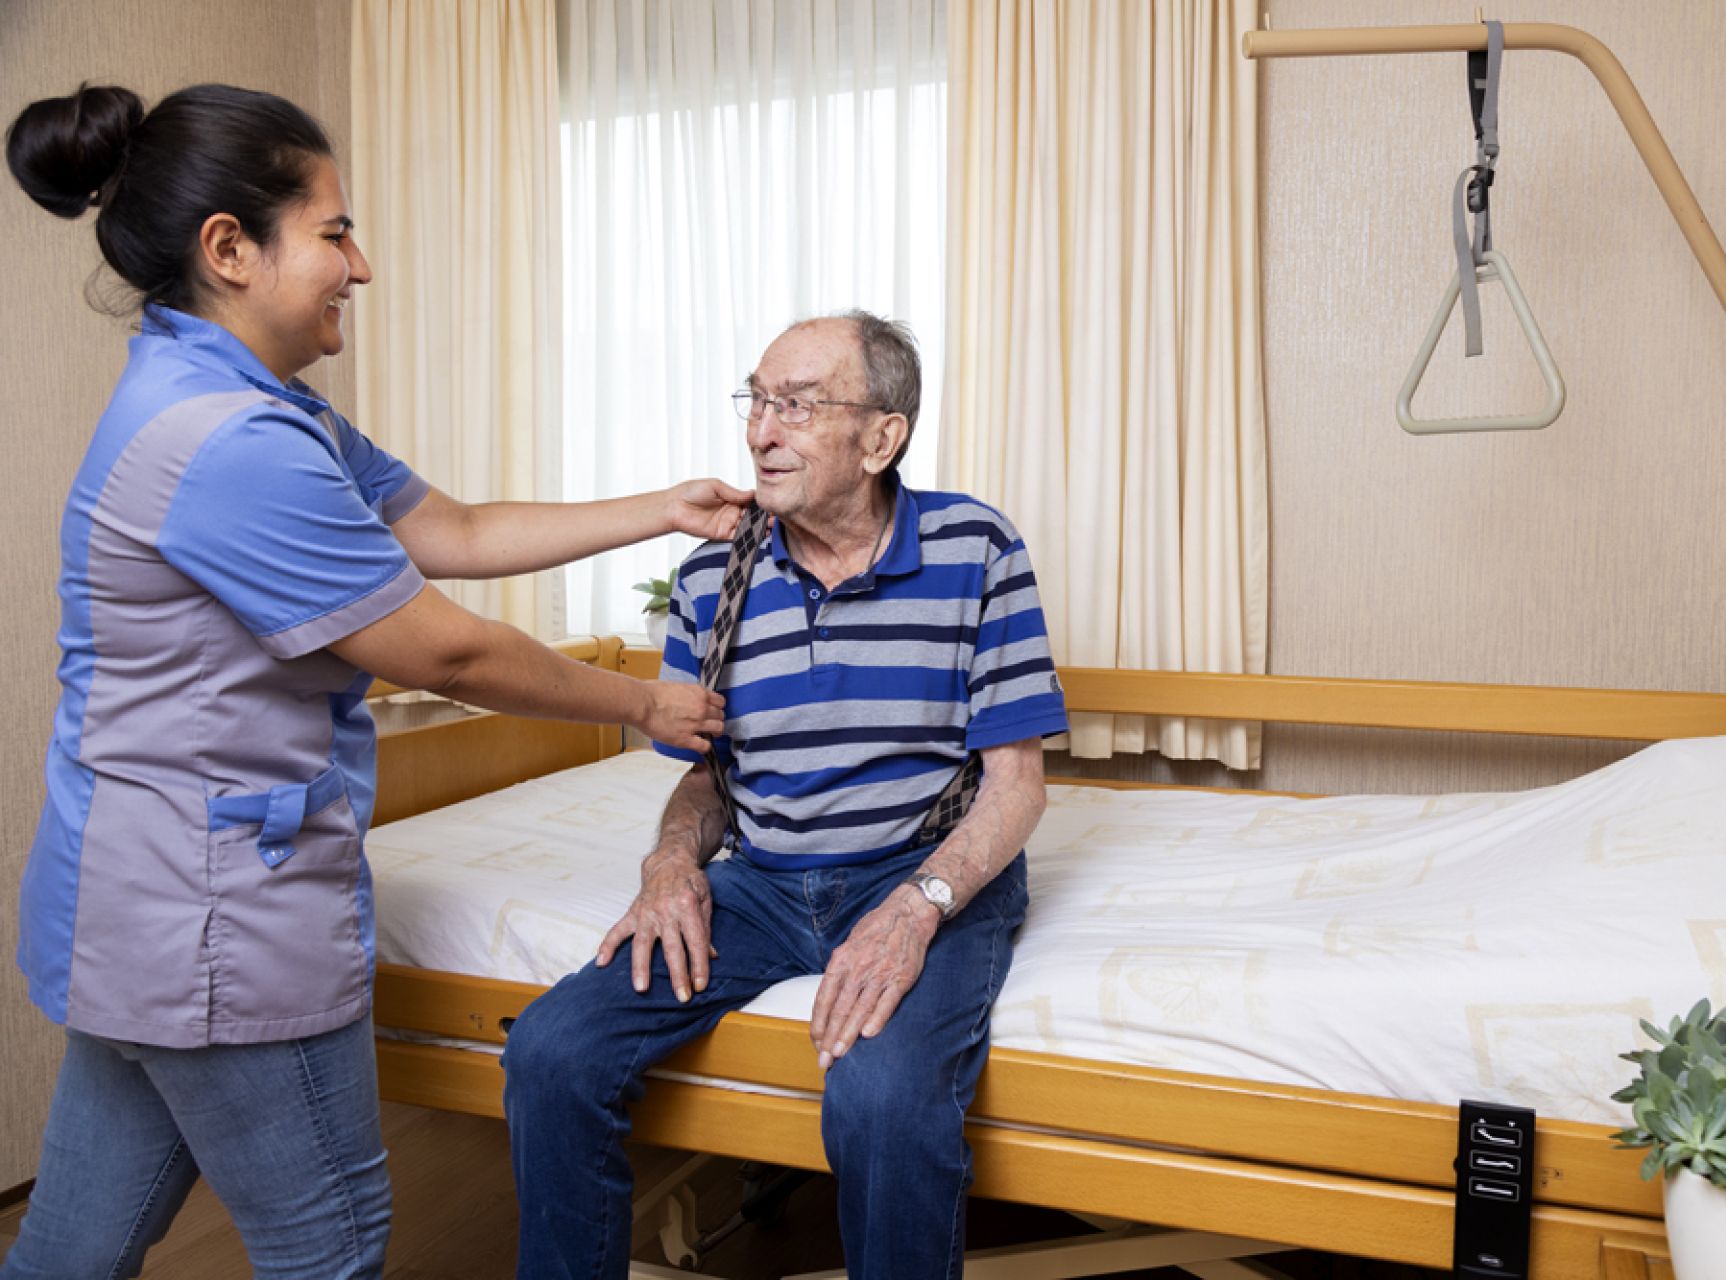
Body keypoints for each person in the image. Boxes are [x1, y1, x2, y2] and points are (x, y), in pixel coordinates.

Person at [1, 83, 747, 1279]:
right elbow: (441, 648)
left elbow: (446, 524)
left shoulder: (254, 401)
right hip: (215, 923)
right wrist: (644, 704)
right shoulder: (230, 442)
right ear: (230, 249)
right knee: (332, 1244)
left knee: (75, 1243)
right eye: (336, 231)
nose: (363, 263)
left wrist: (659, 509)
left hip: (138, 908)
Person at [503, 311, 1068, 1278]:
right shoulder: (711, 574)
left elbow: (1016, 787)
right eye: (757, 401)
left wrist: (916, 908)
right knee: (551, 1053)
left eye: (798, 406)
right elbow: (707, 776)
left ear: (882, 436)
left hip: (918, 870)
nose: (762, 430)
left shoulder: (977, 548)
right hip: (762, 883)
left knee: (882, 1102)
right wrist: (670, 862)